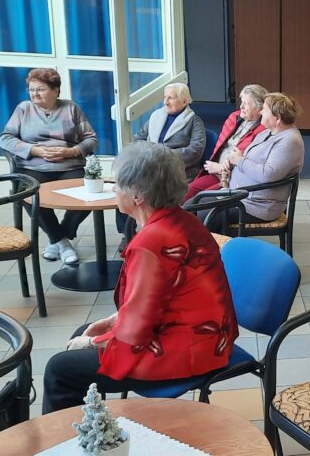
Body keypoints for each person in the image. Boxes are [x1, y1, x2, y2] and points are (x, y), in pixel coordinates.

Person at [42, 142, 238, 413]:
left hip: (189, 350)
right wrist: (112, 321)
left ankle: (70, 435)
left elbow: (137, 329)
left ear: (137, 196)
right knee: (81, 339)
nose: (113, 189)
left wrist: (93, 342)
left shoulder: (151, 243)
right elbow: (157, 299)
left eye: (118, 184)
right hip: (208, 336)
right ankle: (92, 427)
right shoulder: (182, 220)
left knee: (60, 369)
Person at [0, 67, 98, 266]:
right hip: (33, 166)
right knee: (27, 195)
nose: (34, 94)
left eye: (40, 89)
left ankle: (60, 237)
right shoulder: (23, 109)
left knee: (90, 194)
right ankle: (62, 242)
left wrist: (72, 151)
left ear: (55, 90)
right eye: (31, 89)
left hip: (68, 165)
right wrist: (35, 150)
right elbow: (5, 138)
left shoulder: (70, 108)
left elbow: (91, 139)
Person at [118, 83, 207, 246]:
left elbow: (195, 151)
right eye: (165, 97)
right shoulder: (156, 116)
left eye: (171, 98)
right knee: (125, 191)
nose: (165, 101)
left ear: (184, 100)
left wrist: (163, 156)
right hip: (149, 169)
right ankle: (128, 233)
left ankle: (155, 234)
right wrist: (147, 156)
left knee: (151, 196)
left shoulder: (194, 121)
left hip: (176, 173)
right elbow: (138, 139)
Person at [204, 92, 305, 230]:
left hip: (256, 206)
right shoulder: (267, 132)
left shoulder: (289, 141)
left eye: (265, 109)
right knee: (194, 204)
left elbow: (268, 174)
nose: (261, 111)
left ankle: (217, 243)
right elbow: (250, 160)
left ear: (277, 118)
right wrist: (233, 163)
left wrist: (240, 161)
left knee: (201, 215)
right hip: (241, 196)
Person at [184, 84, 269, 201]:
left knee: (196, 201)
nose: (241, 106)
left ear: (259, 109)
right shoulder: (234, 117)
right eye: (241, 102)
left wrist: (219, 168)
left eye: (246, 104)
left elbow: (249, 164)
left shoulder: (263, 130)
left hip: (233, 179)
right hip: (216, 173)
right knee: (186, 192)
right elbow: (221, 147)